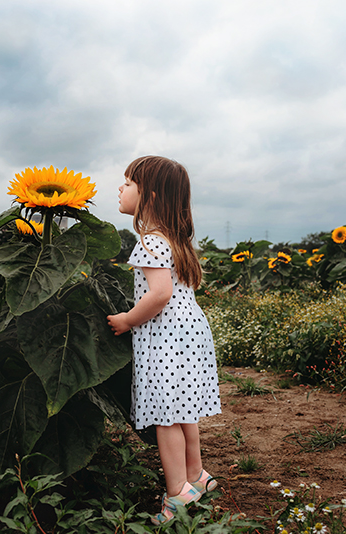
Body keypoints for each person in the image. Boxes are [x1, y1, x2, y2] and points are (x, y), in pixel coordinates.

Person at [107, 155, 221, 525]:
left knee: (164, 415)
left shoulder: (150, 243)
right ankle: (197, 475)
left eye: (127, 183)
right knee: (183, 409)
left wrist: (126, 319)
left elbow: (159, 295)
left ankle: (177, 495)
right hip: (191, 333)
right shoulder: (176, 241)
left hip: (166, 336)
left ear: (149, 196)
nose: (120, 189)